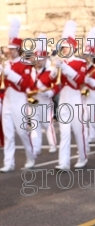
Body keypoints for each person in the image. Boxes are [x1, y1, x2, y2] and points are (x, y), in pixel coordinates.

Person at [0, 18, 36, 172]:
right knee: (8, 134)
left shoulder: (25, 63)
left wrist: (9, 74)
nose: (10, 51)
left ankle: (31, 156)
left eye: (13, 48)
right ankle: (9, 162)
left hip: (19, 100)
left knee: (22, 132)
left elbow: (27, 84)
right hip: (7, 98)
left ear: (18, 49)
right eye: (9, 48)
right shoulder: (7, 63)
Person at [53, 20, 89, 170]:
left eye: (66, 47)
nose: (64, 50)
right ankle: (64, 162)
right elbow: (54, 81)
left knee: (78, 131)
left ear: (73, 47)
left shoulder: (80, 62)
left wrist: (64, 68)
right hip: (63, 99)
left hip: (75, 99)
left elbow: (80, 80)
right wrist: (54, 70)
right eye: (63, 47)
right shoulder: (60, 61)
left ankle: (83, 157)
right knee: (64, 132)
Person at [29, 33, 58, 155]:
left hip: (45, 101)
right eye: (37, 58)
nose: (38, 61)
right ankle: (36, 148)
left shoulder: (51, 71)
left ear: (45, 59)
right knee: (35, 126)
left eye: (41, 59)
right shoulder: (30, 71)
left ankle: (52, 144)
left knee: (47, 125)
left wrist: (52, 92)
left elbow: (58, 84)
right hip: (33, 101)